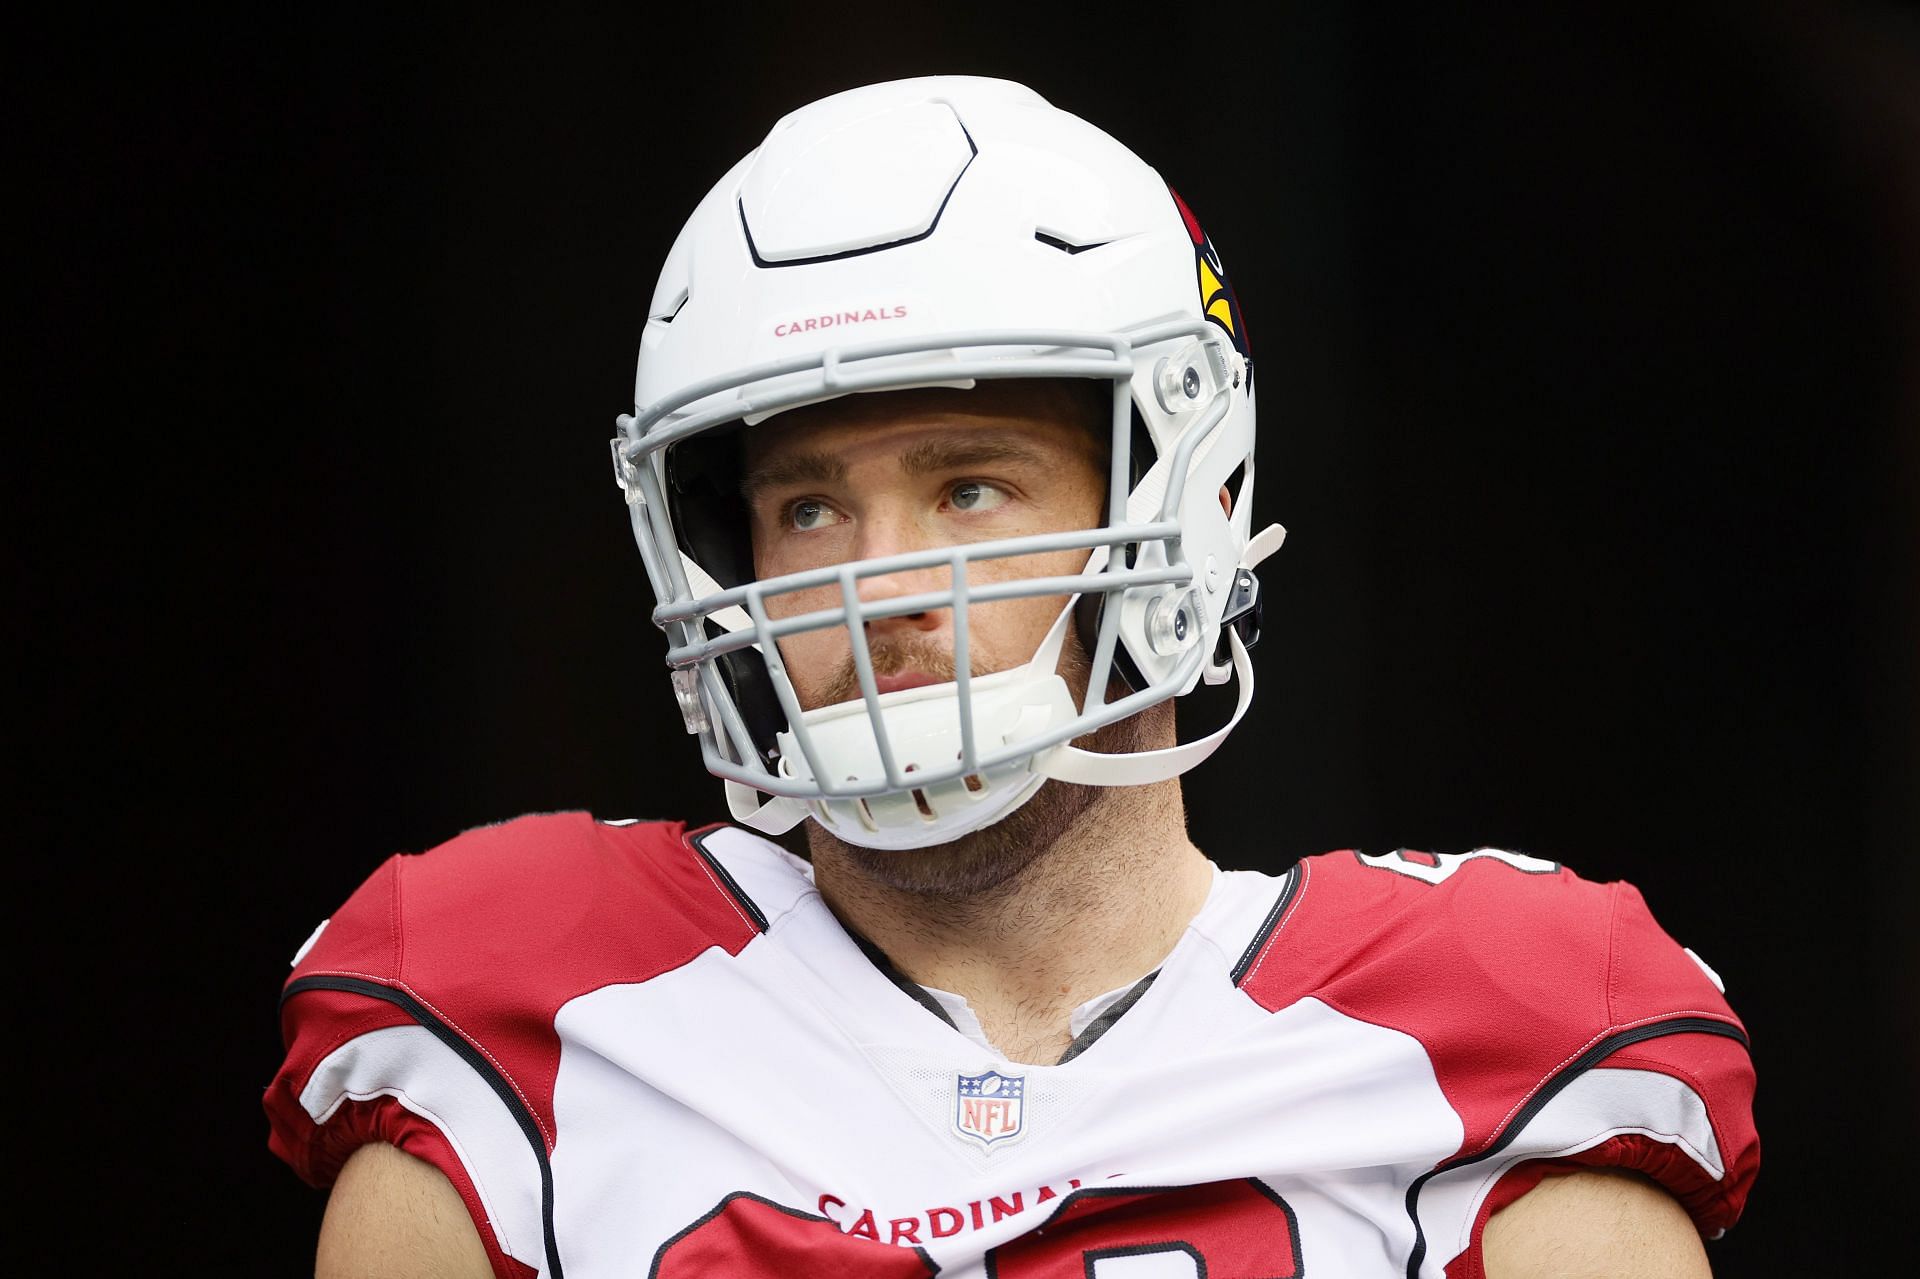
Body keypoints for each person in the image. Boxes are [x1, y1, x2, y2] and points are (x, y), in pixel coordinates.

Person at [264, 75, 1759, 1278]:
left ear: (1188, 505)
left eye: (970, 488)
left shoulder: (1495, 1043)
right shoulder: (526, 1022)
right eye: (806, 508)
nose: (883, 579)